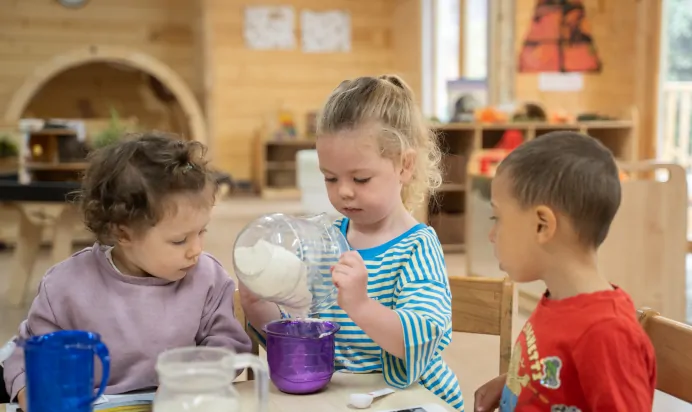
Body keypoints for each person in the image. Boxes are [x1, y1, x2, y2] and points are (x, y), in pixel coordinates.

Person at [240, 75, 464, 410]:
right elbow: (299, 329)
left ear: (405, 165)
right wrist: (259, 304)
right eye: (330, 177)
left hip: (405, 399)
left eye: (360, 178)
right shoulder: (323, 240)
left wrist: (360, 306)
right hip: (338, 398)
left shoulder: (418, 246)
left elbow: (418, 339)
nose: (343, 191)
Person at [3, 133, 252, 410]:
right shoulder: (65, 285)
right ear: (124, 233)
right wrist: (29, 389)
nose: (196, 249)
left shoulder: (208, 278)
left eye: (201, 231)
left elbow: (227, 344)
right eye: (179, 240)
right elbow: (27, 353)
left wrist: (192, 379)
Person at [473, 131, 656, 412]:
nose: (492, 235)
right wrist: (511, 385)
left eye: (498, 218)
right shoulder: (558, 298)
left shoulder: (607, 333)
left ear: (542, 225)